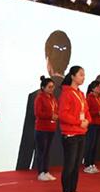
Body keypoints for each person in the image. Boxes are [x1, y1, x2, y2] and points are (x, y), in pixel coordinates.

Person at [17, 30, 71, 170]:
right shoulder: (76, 96)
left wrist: (20, 172)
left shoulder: (35, 96)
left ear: (48, 60)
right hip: (69, 165)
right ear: (68, 62)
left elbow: (27, 142)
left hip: (41, 166)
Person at [58, 66, 90, 192]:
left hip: (81, 133)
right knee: (69, 165)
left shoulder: (81, 94)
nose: (83, 77)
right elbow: (63, 115)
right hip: (70, 133)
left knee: (76, 166)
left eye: (84, 75)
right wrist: (78, 122)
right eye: (80, 74)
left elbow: (86, 111)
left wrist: (87, 120)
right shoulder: (66, 93)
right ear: (72, 76)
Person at [34, 76, 58, 182]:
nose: (52, 89)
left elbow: (56, 109)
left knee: (47, 151)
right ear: (43, 88)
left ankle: (46, 171)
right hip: (42, 128)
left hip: (51, 128)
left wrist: (56, 115)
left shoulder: (53, 98)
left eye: (53, 87)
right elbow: (38, 113)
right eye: (49, 87)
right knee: (41, 151)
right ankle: (40, 172)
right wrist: (50, 115)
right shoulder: (39, 98)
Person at [83, 80, 100, 174]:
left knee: (95, 144)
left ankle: (92, 163)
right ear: (93, 88)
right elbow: (86, 112)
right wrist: (97, 113)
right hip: (92, 124)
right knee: (90, 144)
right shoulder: (89, 98)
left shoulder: (99, 98)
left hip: (99, 123)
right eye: (98, 86)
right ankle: (87, 164)